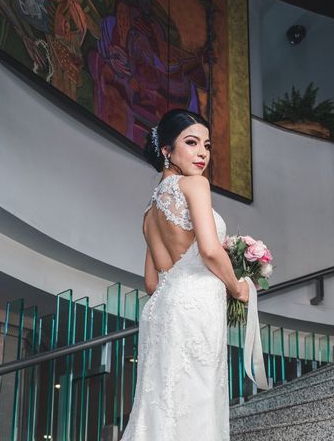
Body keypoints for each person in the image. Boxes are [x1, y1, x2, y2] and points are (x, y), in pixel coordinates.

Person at [120, 109, 249, 440]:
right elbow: (208, 250)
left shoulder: (148, 214)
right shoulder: (195, 185)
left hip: (161, 311)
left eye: (207, 145)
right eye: (191, 143)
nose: (202, 153)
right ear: (166, 150)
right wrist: (237, 287)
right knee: (197, 402)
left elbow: (152, 283)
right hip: (195, 308)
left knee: (160, 406)